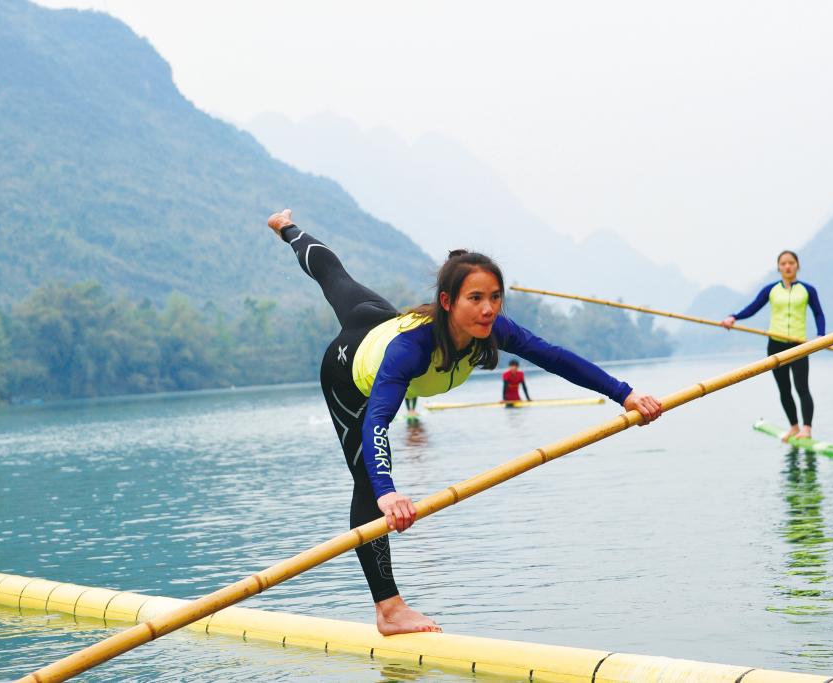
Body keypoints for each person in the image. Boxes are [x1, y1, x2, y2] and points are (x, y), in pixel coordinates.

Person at [268, 208, 662, 635]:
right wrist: (387, 492)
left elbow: (555, 357)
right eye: (476, 299)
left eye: (495, 297)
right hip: (349, 376)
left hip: (377, 321)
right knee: (366, 479)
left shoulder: (493, 330)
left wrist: (624, 394)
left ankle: (286, 225)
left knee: (336, 278)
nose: (488, 309)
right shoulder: (411, 349)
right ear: (447, 302)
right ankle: (389, 610)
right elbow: (378, 421)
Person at [722, 250, 825, 442]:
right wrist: (733, 317)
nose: (787, 266)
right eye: (784, 263)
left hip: (799, 345)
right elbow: (753, 307)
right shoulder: (771, 290)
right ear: (778, 267)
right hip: (775, 346)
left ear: (797, 266)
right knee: (784, 389)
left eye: (791, 263)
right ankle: (794, 427)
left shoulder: (808, 290)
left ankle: (807, 429)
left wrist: (821, 335)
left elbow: (818, 313)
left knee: (802, 388)